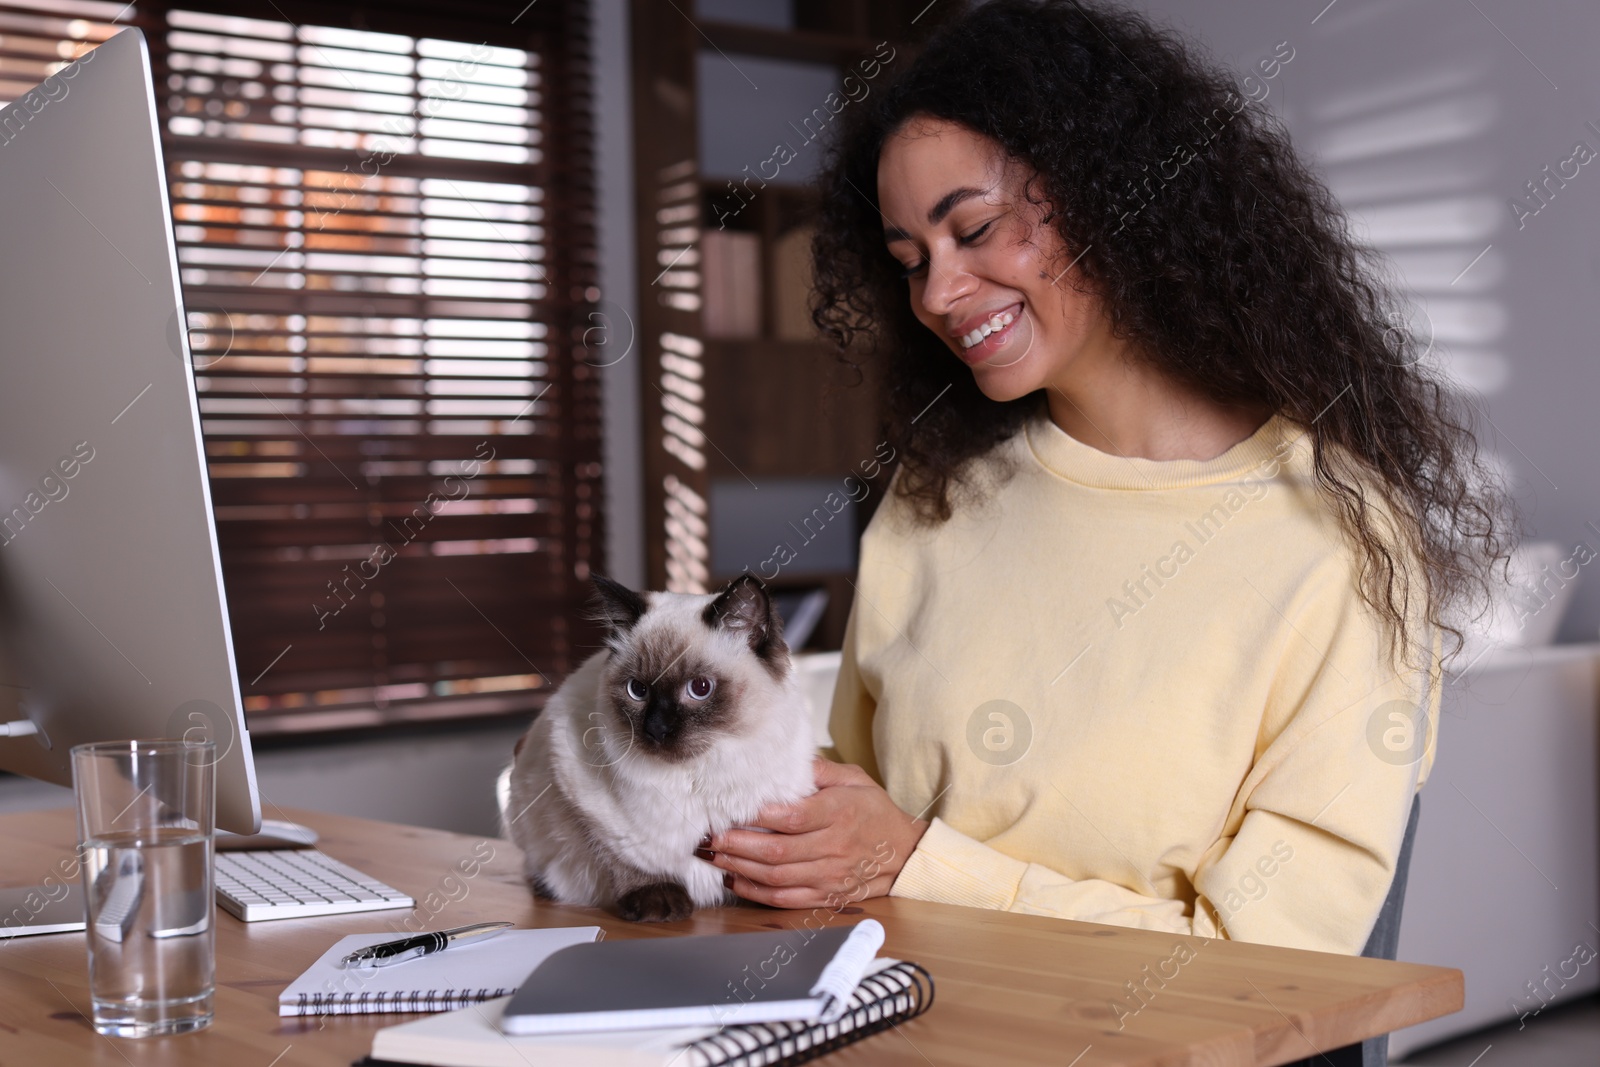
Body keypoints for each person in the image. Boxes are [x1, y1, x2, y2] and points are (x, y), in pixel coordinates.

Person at [699, 0, 1508, 956]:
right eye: (911, 262)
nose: (939, 295)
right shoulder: (935, 497)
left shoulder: (1337, 541)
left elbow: (1274, 957)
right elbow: (850, 822)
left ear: (1112, 193)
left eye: (979, 229)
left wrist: (918, 864)